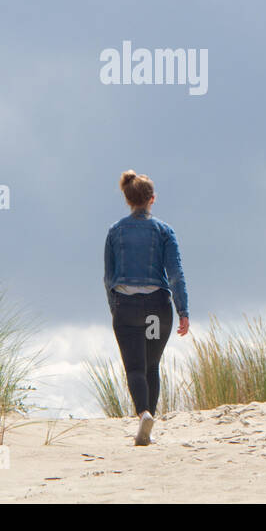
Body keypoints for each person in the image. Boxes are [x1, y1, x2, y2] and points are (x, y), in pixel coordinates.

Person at [103, 169, 190, 446]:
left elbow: (108, 277)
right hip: (155, 309)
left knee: (135, 368)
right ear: (152, 199)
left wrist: (114, 308)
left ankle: (143, 414)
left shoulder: (115, 231)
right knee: (152, 365)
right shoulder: (164, 231)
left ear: (128, 199)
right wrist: (183, 310)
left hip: (126, 308)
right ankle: (148, 422)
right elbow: (175, 273)